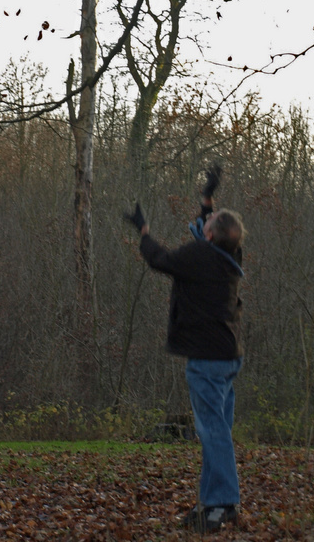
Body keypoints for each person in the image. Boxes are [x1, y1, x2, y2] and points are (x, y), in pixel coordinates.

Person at [124, 166, 246, 533]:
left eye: (205, 227)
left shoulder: (199, 256)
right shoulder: (230, 256)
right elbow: (209, 229)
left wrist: (144, 232)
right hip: (228, 357)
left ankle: (223, 505)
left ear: (210, 237)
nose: (200, 227)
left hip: (208, 361)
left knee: (213, 433)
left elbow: (160, 259)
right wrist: (207, 201)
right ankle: (212, 503)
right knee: (215, 430)